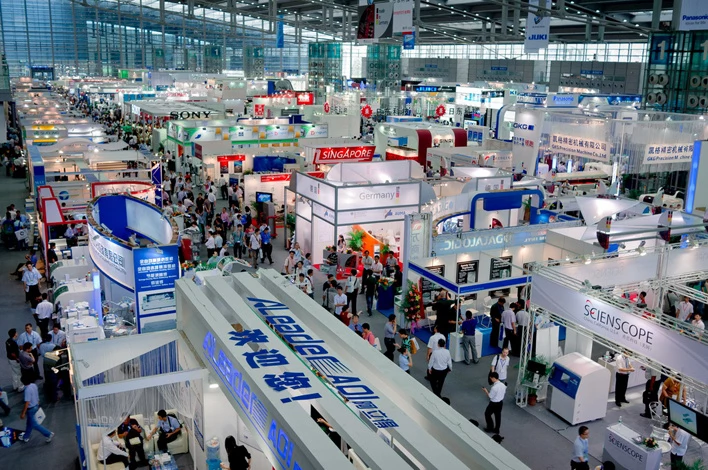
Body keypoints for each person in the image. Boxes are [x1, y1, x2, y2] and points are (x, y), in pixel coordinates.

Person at [19, 375, 54, 443]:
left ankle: (48, 434)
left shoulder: (27, 390)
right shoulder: (33, 385)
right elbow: (36, 395)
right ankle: (26, 437)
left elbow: (27, 403)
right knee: (29, 423)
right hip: (36, 406)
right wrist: (38, 404)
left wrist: (23, 413)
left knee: (34, 424)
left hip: (31, 409)